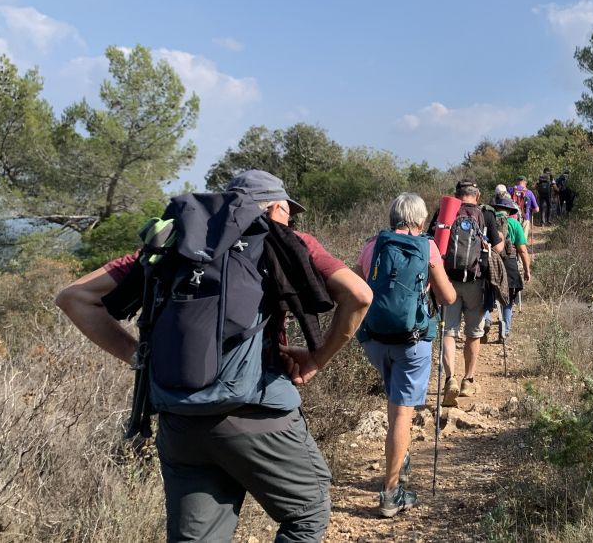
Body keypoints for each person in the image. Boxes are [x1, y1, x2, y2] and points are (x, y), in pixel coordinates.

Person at [55, 170, 373, 543]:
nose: (291, 220)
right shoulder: (287, 239)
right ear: (275, 208)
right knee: (307, 513)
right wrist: (318, 358)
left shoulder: (174, 243)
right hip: (256, 415)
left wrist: (140, 356)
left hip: (179, 421)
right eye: (288, 211)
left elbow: (73, 297)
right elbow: (359, 295)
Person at [355, 193, 456, 518]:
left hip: (374, 340)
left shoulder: (373, 246)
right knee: (402, 414)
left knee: (395, 403)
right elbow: (449, 296)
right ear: (421, 220)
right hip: (412, 342)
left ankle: (398, 459)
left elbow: (356, 290)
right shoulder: (427, 247)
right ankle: (390, 494)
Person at [426, 179, 504, 405]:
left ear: (456, 194)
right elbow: (498, 248)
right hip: (476, 282)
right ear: (477, 196)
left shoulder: (445, 211)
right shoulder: (486, 214)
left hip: (447, 281)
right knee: (473, 333)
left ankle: (450, 378)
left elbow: (432, 243)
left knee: (449, 331)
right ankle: (468, 381)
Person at [486, 195, 531, 343]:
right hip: (509, 263)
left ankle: (485, 320)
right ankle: (504, 332)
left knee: (486, 296)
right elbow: (522, 250)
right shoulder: (514, 223)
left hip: (489, 262)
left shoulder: (486, 220)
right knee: (508, 300)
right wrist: (526, 270)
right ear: (509, 210)